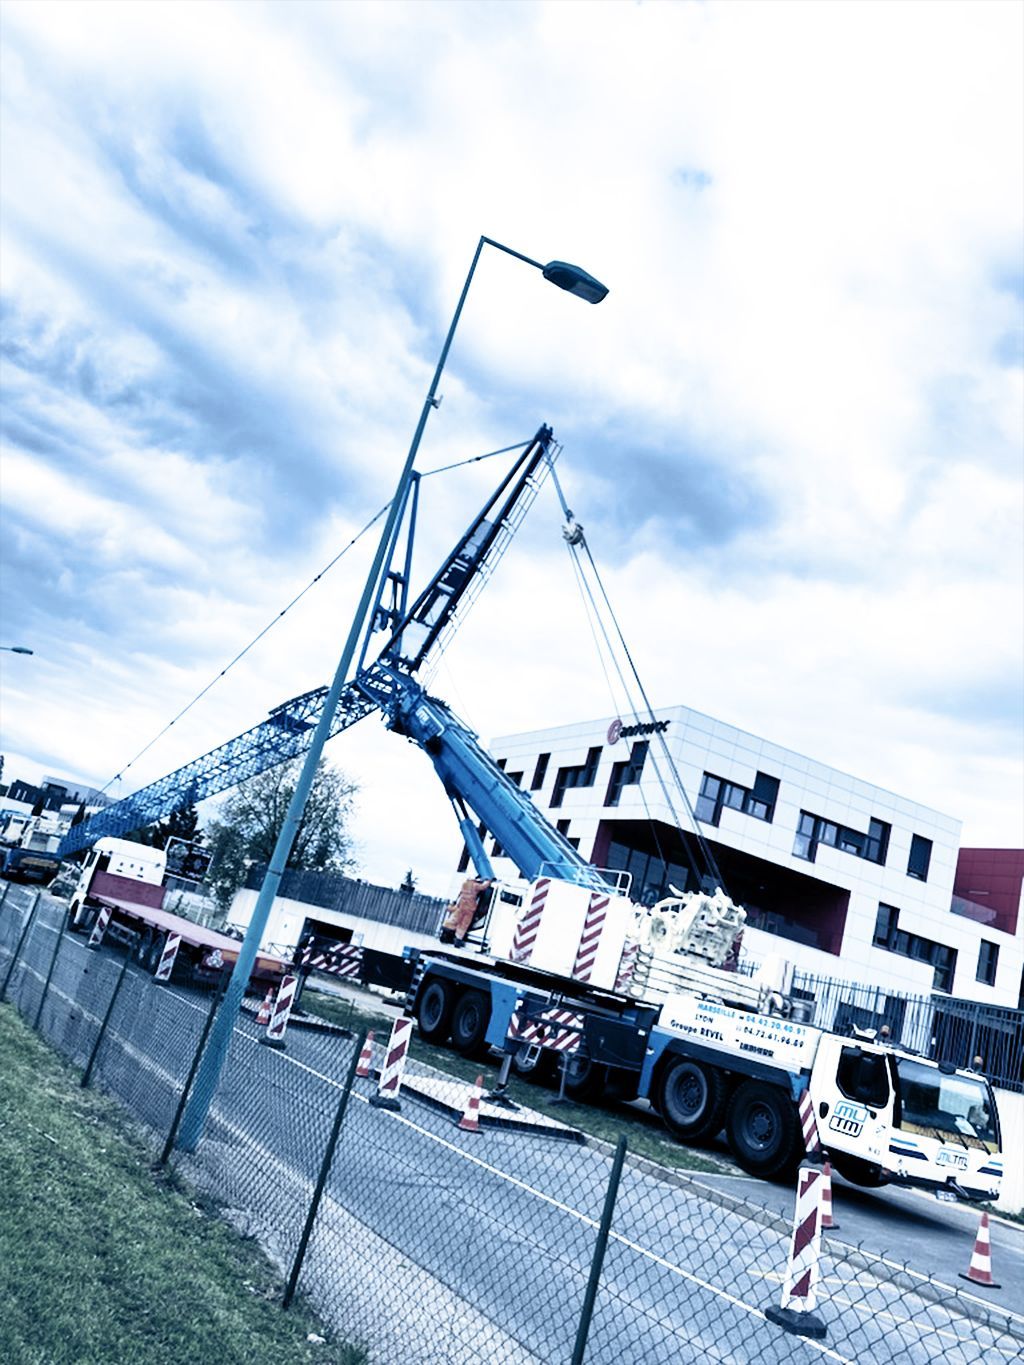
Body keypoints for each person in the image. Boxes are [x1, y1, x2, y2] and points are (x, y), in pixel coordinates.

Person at [439, 875, 493, 947]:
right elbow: (483, 887)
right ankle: (458, 941)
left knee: (453, 921)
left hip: (461, 907)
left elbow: (460, 895)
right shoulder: (475, 885)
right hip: (469, 909)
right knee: (463, 925)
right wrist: (489, 881)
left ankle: (445, 935)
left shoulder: (464, 885)